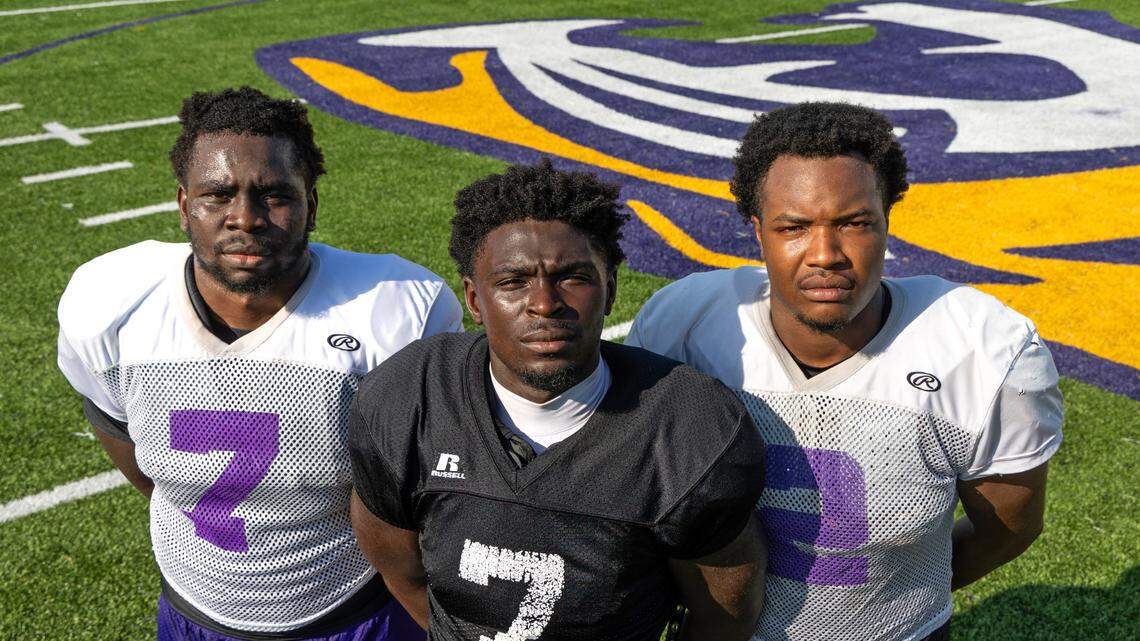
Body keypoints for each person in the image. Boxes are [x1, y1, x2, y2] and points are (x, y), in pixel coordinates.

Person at [626, 102, 1063, 641]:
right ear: (757, 231)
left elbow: (1007, 529)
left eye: (854, 223)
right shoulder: (686, 324)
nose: (825, 254)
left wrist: (897, 604)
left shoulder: (982, 348)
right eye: (794, 226)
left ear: (886, 224)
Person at [56, 87, 462, 641]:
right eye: (217, 194)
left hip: (354, 611)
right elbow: (124, 441)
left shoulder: (396, 311)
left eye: (273, 195)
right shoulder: (112, 303)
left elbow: (417, 501)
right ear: (182, 206)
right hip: (195, 608)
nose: (243, 218)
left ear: (311, 205)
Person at [346, 159, 768, 641]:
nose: (545, 304)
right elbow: (403, 573)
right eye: (513, 282)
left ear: (610, 291)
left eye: (573, 277)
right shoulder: (409, 398)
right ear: (474, 300)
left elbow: (723, 615)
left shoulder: (687, 428)